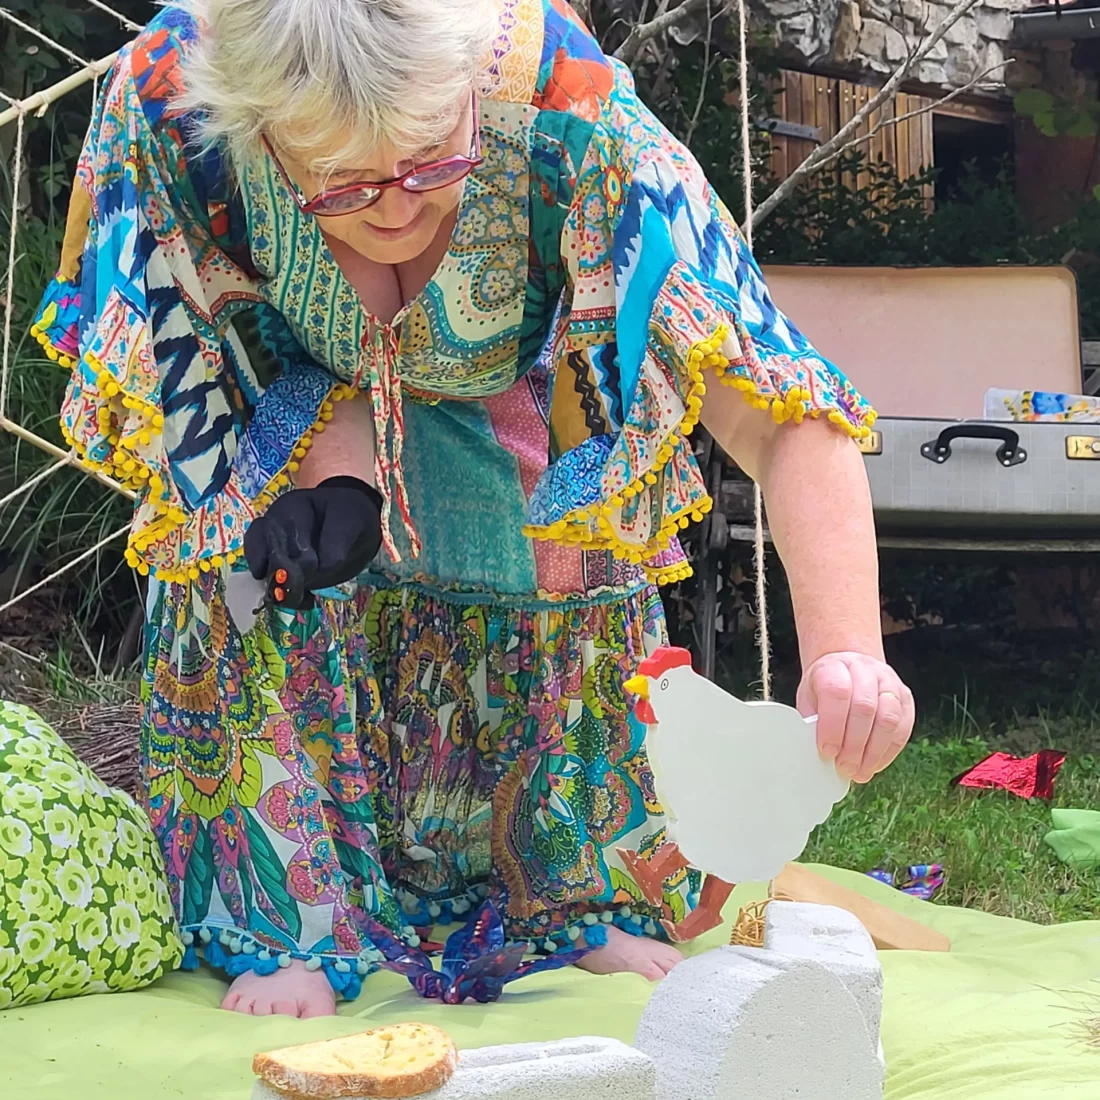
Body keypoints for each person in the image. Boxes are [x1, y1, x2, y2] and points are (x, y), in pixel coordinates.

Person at [31, 0, 915, 1020]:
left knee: (557, 529)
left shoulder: (572, 112)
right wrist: (327, 468)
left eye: (429, 159)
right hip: (285, 406)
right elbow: (182, 358)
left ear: (471, 79)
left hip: (506, 410)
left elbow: (776, 403)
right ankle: (295, 919)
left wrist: (847, 648)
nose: (397, 208)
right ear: (256, 129)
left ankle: (566, 899)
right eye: (342, 183)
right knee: (240, 563)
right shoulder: (169, 109)